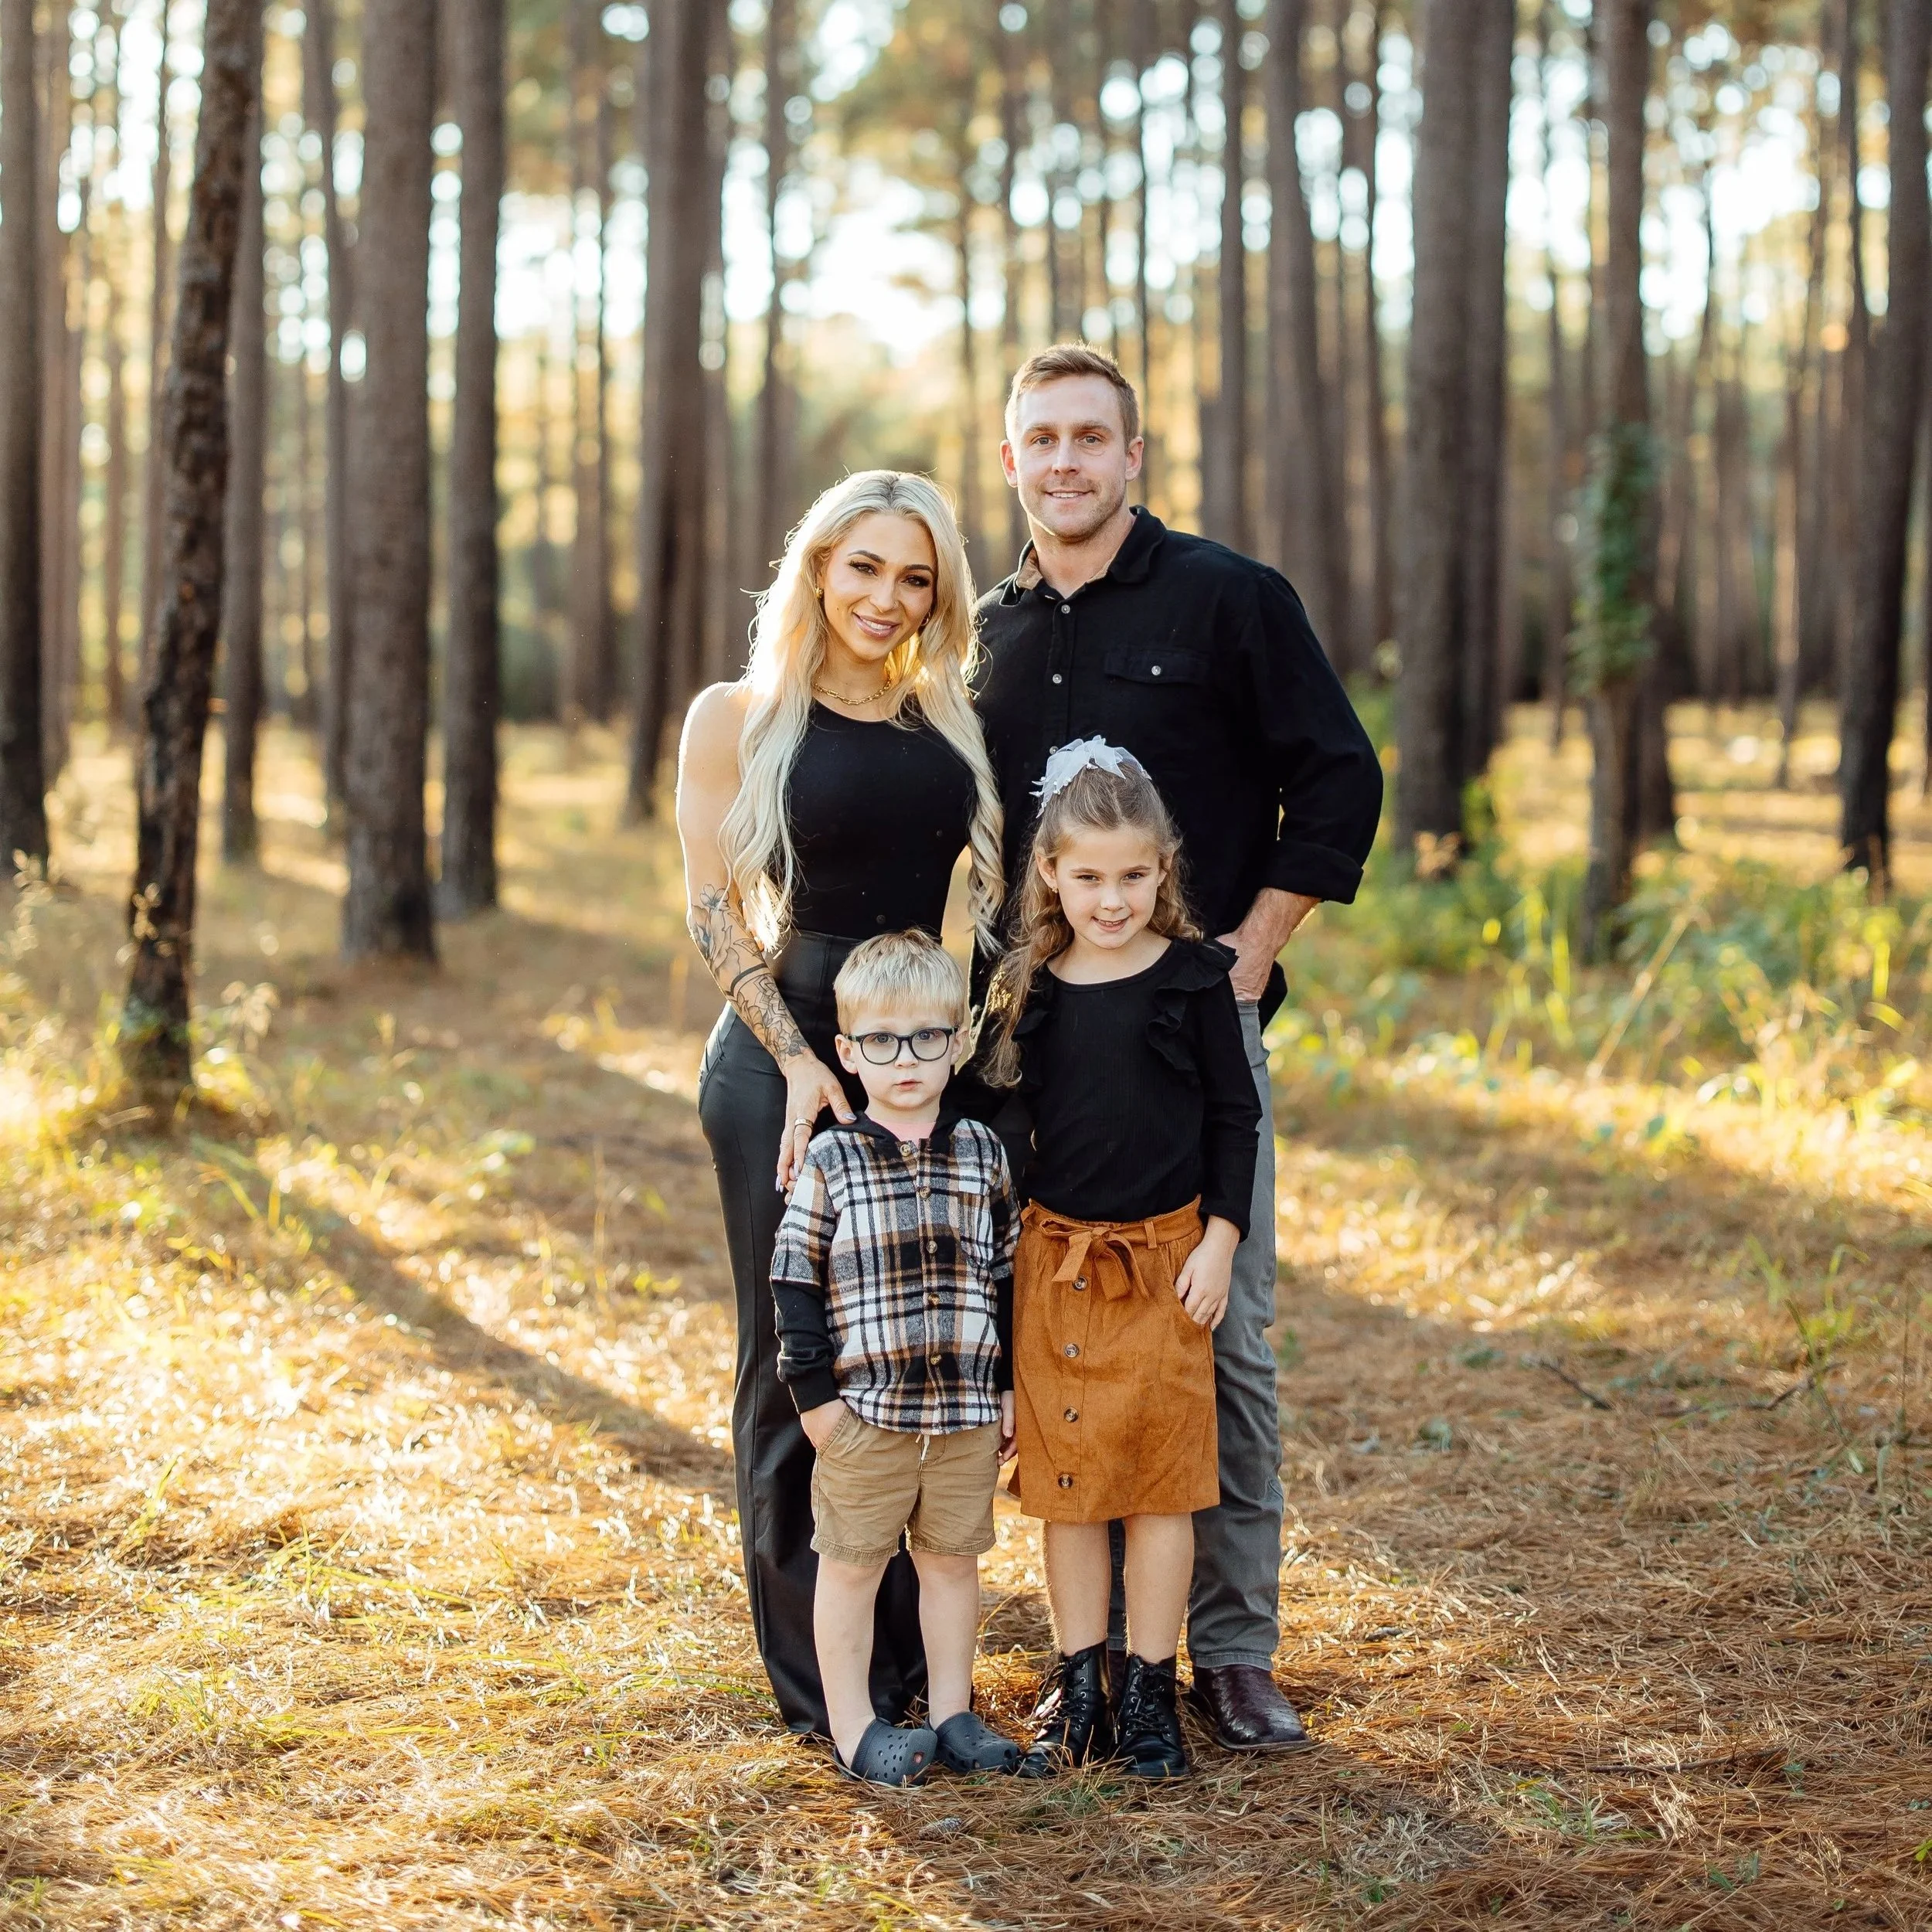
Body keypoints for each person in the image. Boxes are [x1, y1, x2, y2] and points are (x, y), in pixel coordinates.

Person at [975, 343, 1383, 1752]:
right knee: (1059, 1344)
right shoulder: (985, 636)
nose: (1069, 460)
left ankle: (1235, 1650)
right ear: (1010, 455)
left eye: (1095, 435)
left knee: (1228, 1341)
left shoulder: (1228, 600)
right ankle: (1090, 1664)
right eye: (1045, 438)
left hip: (1198, 1047)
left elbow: (1341, 776)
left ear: (1133, 457)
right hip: (1039, 1058)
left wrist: (1250, 955)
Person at [678, 471, 1005, 1736]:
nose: (886, 596)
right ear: (818, 565)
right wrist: (803, 1060)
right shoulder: (739, 715)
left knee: (909, 1361)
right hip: (781, 1061)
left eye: (914, 576)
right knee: (794, 1359)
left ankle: (913, 1673)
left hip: (917, 1061)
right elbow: (713, 909)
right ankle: (828, 1694)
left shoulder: (952, 723)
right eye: (864, 567)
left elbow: (1004, 907)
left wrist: (970, 1036)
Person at [978, 742, 1259, 1779]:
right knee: (1069, 1486)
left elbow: (1237, 1119)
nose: (1112, 899)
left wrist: (1221, 1239)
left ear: (1163, 872)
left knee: (1161, 1485)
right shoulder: (1034, 989)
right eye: (1088, 876)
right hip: (1059, 1269)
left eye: (1133, 876)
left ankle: (1150, 1686)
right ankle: (1076, 1680)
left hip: (1167, 1264)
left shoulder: (1193, 980)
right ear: (1050, 871)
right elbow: (1011, 1136)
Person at [771, 931, 1022, 1787]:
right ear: (847, 1052)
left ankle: (953, 1713)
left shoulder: (981, 1153)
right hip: (866, 1415)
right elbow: (793, 1277)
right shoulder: (833, 1158)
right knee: (853, 1566)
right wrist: (815, 1398)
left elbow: (1005, 1276)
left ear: (956, 1042)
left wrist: (1007, 1385)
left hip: (962, 1413)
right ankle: (854, 1729)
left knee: (952, 1562)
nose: (905, 1059)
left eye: (926, 1038)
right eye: (881, 1041)